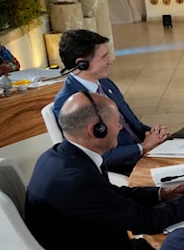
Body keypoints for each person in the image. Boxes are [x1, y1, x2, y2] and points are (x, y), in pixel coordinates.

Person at [25, 92, 184, 250]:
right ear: (97, 129)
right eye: (116, 121)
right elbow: (147, 221)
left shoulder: (61, 155)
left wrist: (161, 194)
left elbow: (113, 194)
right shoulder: (76, 179)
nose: (120, 127)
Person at [54, 29, 169, 175]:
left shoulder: (105, 83)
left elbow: (132, 124)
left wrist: (155, 134)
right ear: (81, 64)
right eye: (104, 57)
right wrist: (142, 147)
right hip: (123, 169)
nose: (111, 61)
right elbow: (96, 155)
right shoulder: (69, 103)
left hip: (143, 153)